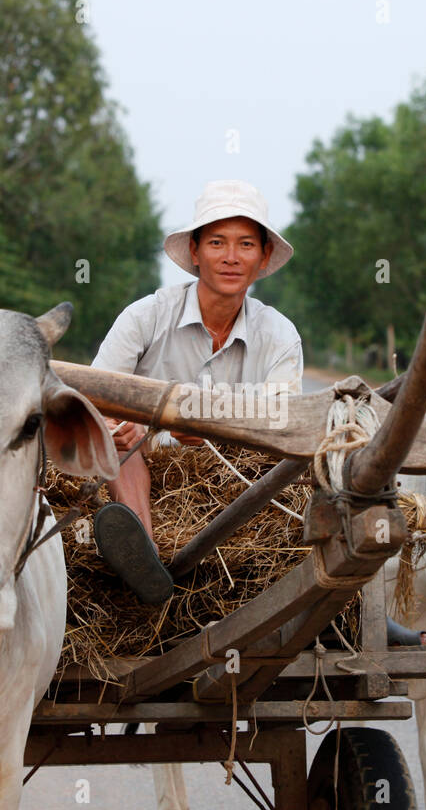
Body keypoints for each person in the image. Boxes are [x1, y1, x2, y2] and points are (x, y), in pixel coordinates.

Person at [89, 179, 302, 603]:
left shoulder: (279, 335)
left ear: (261, 258)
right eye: (217, 242)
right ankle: (144, 562)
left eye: (245, 245)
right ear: (195, 252)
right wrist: (120, 427)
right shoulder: (146, 317)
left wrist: (214, 430)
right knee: (118, 447)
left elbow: (286, 427)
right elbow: (93, 397)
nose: (230, 257)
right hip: (140, 467)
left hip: (237, 484)